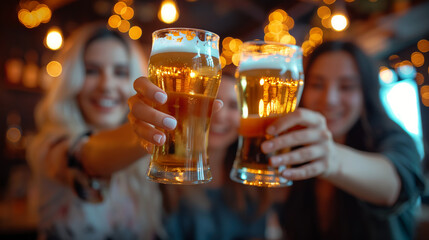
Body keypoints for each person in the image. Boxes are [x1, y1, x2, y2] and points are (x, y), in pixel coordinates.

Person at [262, 41, 425, 240]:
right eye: (317, 84)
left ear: (366, 93)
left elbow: (395, 185)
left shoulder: (390, 136)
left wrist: (331, 158)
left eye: (347, 86)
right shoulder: (293, 147)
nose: (329, 99)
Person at [27, 22, 164, 240]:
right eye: (91, 71)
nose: (106, 84)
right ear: (71, 81)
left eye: (120, 72)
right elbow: (83, 157)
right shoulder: (50, 146)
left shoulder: (145, 162)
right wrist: (143, 134)